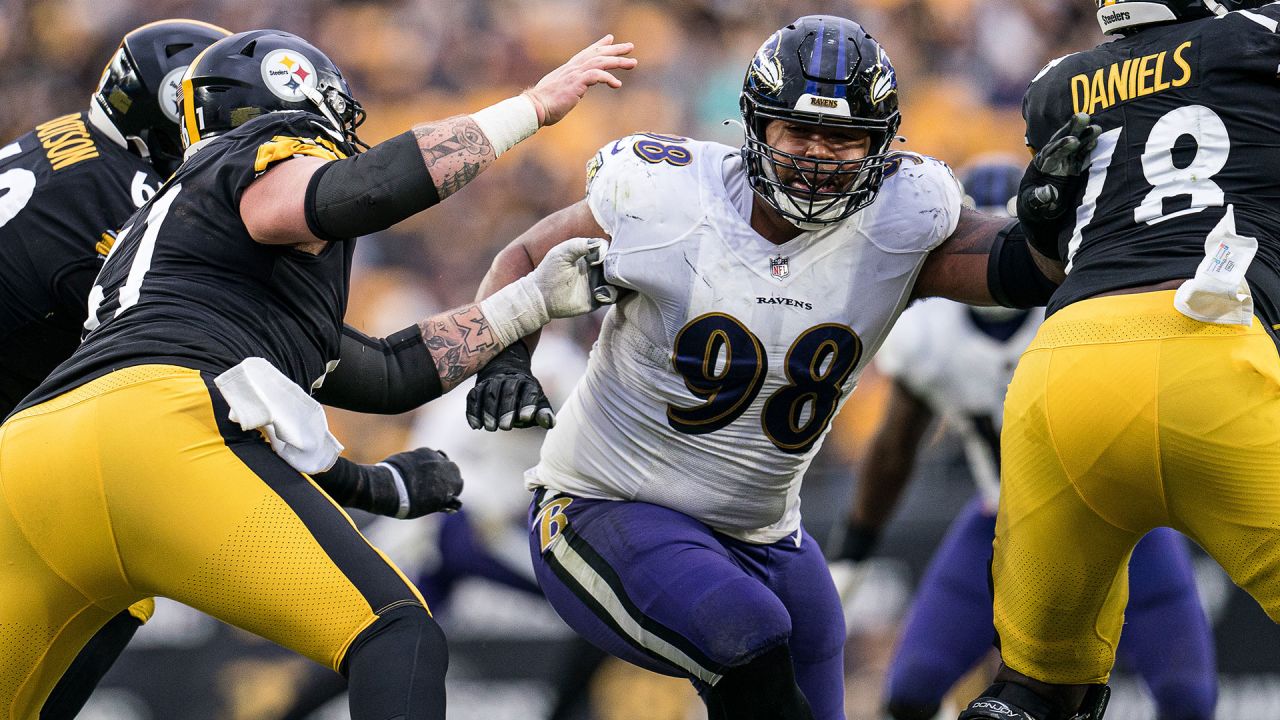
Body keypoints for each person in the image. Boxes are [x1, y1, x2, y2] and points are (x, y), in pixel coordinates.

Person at [0, 27, 634, 720]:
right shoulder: (250, 162)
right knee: (397, 631)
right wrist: (531, 108)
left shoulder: (184, 246)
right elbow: (352, 193)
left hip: (36, 449)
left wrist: (531, 300)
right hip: (156, 425)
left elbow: (388, 372)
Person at [466, 15, 1070, 720]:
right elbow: (526, 258)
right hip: (604, 504)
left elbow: (1025, 272)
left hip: (764, 534)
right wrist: (505, 356)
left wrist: (1056, 218)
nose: (818, 156)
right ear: (755, 127)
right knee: (749, 632)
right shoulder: (669, 199)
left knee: (805, 642)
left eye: (842, 138)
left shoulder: (903, 218)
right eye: (799, 132)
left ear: (880, 145)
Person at [957, 1, 1280, 718]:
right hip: (1210, 353)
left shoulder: (1057, 84)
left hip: (1061, 369)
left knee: (1034, 693)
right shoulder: (1259, 40)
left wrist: (1039, 211)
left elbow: (1038, 257)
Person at [834, 161, 1216, 720]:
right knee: (911, 693)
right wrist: (855, 550)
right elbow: (894, 449)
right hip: (1003, 519)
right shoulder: (929, 335)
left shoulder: (1087, 303)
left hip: (1122, 521)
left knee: (1187, 699)